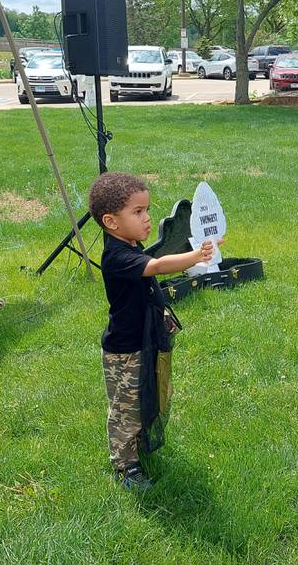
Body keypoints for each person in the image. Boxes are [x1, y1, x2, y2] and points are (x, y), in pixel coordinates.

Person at [88, 172, 216, 491]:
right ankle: (124, 466)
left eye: (146, 210)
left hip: (145, 340)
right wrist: (195, 256)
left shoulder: (130, 243)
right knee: (126, 409)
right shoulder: (116, 256)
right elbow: (156, 268)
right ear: (111, 221)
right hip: (125, 349)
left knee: (149, 397)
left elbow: (147, 290)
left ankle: (141, 446)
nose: (147, 219)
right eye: (138, 212)